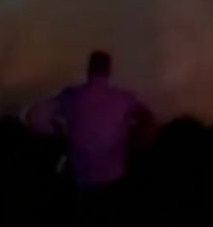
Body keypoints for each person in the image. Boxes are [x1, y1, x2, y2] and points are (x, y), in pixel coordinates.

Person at [31, 50, 156, 191]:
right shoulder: (124, 98)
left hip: (79, 177)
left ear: (89, 69)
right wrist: (137, 141)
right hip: (113, 176)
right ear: (109, 71)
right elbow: (149, 118)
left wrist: (57, 131)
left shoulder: (71, 96)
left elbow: (36, 116)